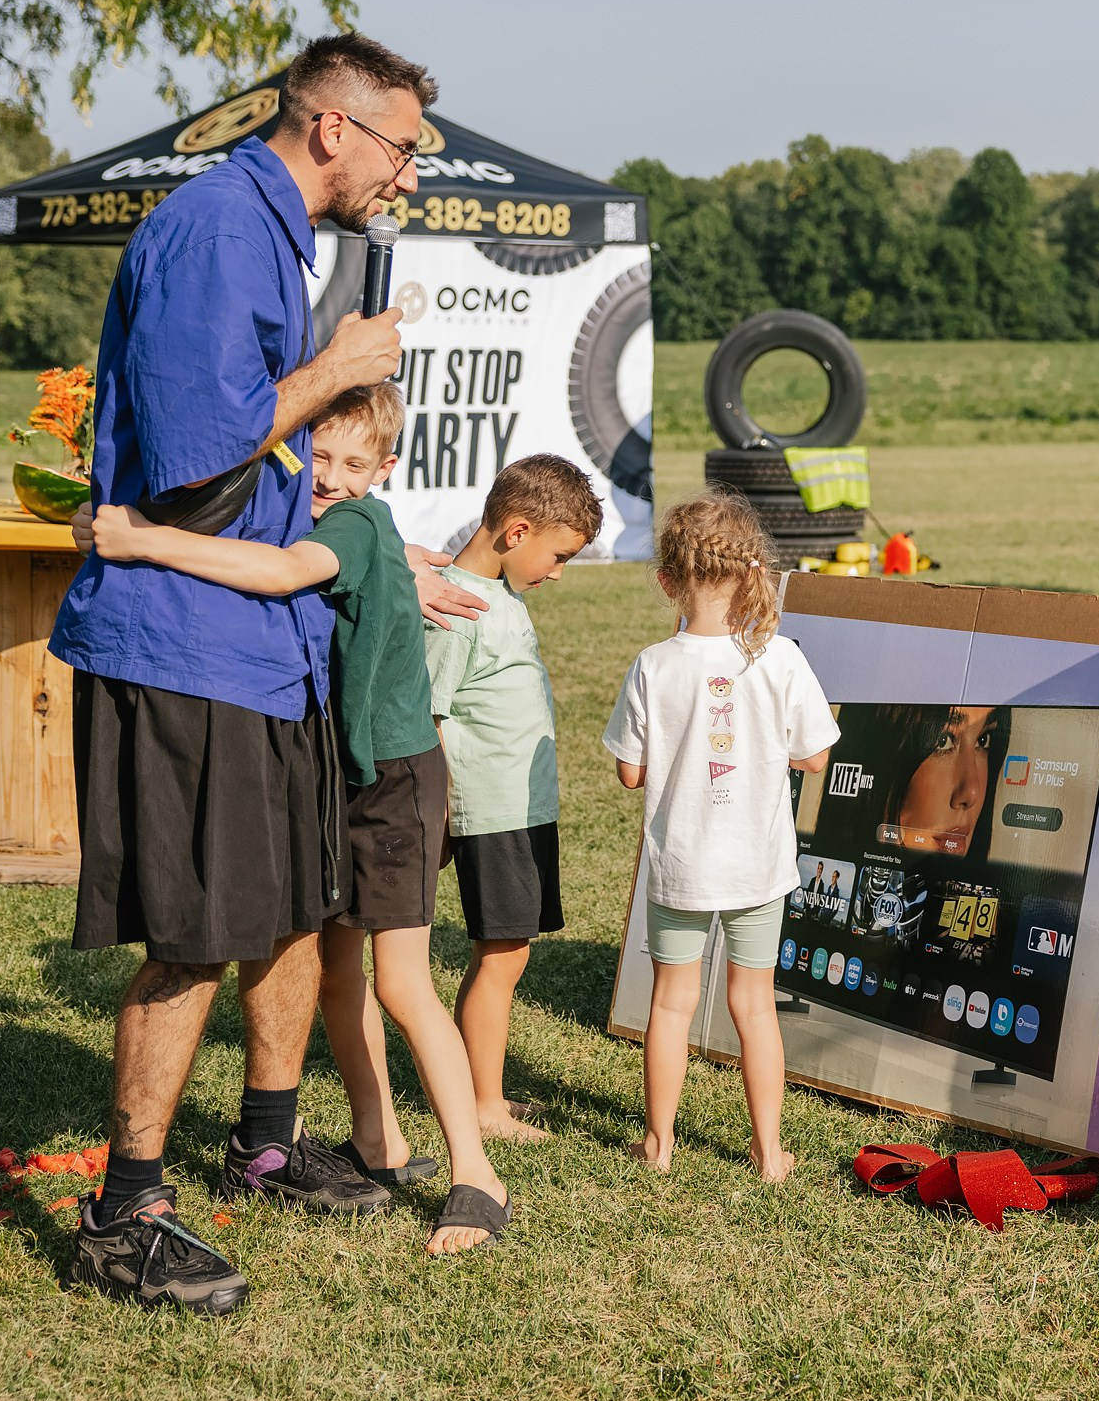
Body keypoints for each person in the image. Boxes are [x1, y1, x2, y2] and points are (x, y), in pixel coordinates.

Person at [54, 33, 485, 1315]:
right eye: (403, 148)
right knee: (199, 933)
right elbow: (199, 455)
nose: (410, 175)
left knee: (296, 904)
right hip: (187, 642)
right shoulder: (216, 229)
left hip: (271, 648)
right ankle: (125, 1213)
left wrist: (383, 556)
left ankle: (266, 1141)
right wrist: (340, 370)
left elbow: (275, 471)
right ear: (333, 127)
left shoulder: (273, 235)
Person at [85, 382, 510, 1256]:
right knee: (336, 971)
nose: (329, 475)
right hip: (348, 775)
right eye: (318, 454)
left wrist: (139, 537)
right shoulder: (353, 522)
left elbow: (281, 572)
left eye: (354, 463)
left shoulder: (352, 522)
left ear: (385, 467)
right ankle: (378, 1141)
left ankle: (477, 1172)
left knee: (401, 983)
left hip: (393, 783)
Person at [604, 489, 839, 1179]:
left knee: (671, 1004)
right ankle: (769, 1152)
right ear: (751, 571)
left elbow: (629, 772)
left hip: (679, 866)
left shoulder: (653, 664)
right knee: (755, 1007)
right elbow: (816, 756)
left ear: (667, 581)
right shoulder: (782, 657)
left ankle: (658, 1145)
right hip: (757, 868)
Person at [426, 453, 605, 1142]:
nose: (556, 573)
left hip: (522, 809)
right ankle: (483, 1107)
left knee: (509, 953)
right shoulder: (455, 605)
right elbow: (430, 716)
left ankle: (486, 1090)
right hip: (490, 812)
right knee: (500, 957)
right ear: (517, 531)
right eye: (558, 556)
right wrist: (441, 817)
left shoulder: (499, 596)